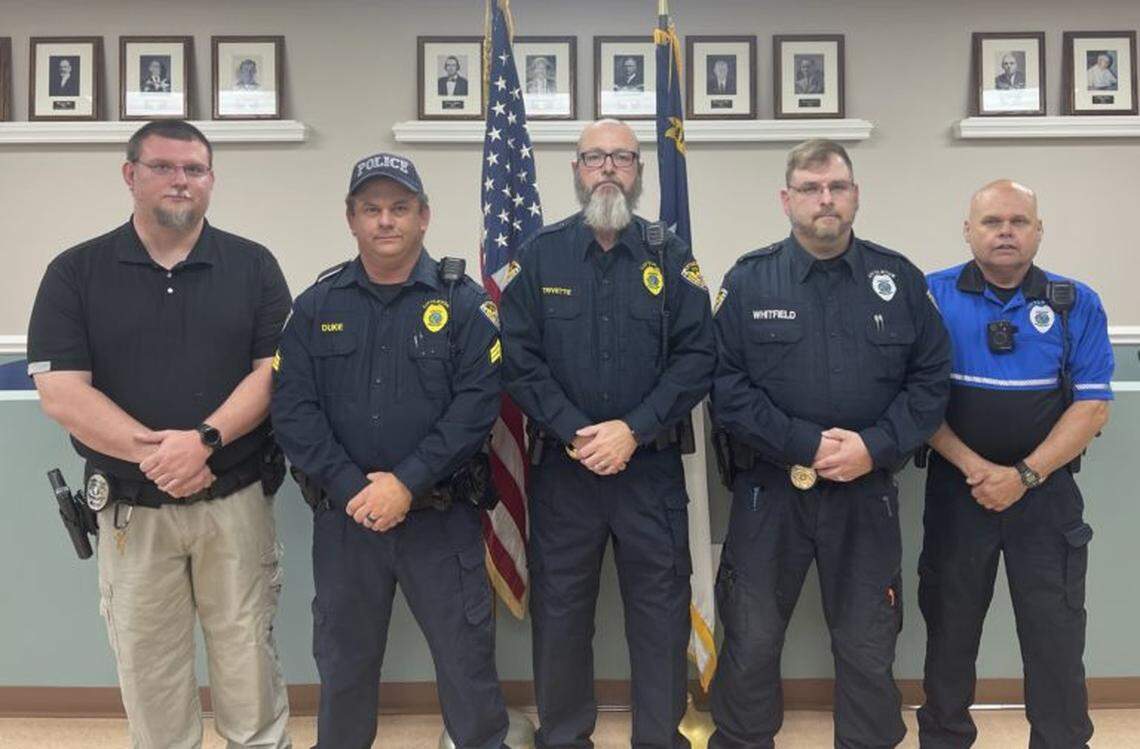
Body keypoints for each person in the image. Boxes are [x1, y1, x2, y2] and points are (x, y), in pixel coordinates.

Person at [26, 119, 292, 748]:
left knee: (248, 657)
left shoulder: (253, 266)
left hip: (234, 498)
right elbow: (62, 392)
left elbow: (274, 374)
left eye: (194, 169)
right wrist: (161, 457)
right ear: (131, 175)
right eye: (164, 167)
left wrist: (202, 442)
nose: (181, 181)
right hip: (130, 511)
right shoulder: (76, 272)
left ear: (211, 181)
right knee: (150, 672)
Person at [707, 138, 951, 749]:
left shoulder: (897, 279)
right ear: (786, 199)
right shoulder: (750, 279)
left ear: (855, 196)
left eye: (837, 187)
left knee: (869, 640)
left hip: (866, 491)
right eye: (812, 189)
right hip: (770, 490)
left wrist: (874, 446)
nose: (825, 199)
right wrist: (803, 444)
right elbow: (726, 386)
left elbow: (930, 383)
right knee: (751, 637)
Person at [270, 152, 509, 749]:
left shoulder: (463, 305)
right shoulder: (316, 305)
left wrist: (404, 483)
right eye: (371, 209)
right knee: (345, 670)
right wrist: (356, 489)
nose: (385, 221)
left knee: (467, 669)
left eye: (399, 208)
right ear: (350, 219)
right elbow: (294, 412)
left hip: (440, 520)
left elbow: (476, 409)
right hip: (348, 523)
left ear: (423, 217)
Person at [500, 118, 716, 749]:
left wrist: (633, 429)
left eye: (622, 157)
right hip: (564, 473)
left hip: (648, 471)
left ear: (640, 170)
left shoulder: (670, 254)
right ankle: (565, 737)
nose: (608, 169)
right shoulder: (541, 254)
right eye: (595, 157)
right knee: (561, 617)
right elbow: (518, 358)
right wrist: (577, 432)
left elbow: (697, 357)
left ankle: (659, 738)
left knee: (658, 618)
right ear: (576, 170)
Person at [917, 180, 1113, 749]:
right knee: (949, 637)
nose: (1006, 231)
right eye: (992, 221)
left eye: (1019, 221)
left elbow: (1092, 407)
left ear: (1038, 230)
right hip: (959, 494)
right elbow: (914, 400)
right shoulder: (930, 297)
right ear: (968, 230)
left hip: (1045, 499)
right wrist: (978, 470)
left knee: (1055, 640)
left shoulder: (1077, 301)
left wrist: (1023, 475)